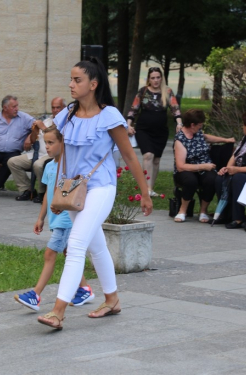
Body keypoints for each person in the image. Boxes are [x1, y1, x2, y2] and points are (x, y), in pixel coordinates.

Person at [36, 58, 153, 331]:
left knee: (75, 244)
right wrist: (57, 192)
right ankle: (112, 299)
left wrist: (144, 193)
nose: (71, 84)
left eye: (77, 80)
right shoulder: (66, 115)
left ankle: (57, 311)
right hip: (74, 192)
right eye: (71, 79)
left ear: (94, 84)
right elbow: (59, 153)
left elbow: (129, 156)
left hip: (101, 187)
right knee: (95, 246)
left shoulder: (109, 116)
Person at [14, 125, 94, 311]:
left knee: (50, 254)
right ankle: (84, 289)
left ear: (62, 143)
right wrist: (41, 218)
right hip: (55, 219)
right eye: (45, 143)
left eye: (51, 143)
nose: (47, 147)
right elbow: (48, 193)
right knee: (67, 253)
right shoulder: (49, 166)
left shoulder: (70, 166)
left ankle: (35, 294)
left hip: (66, 219)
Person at [126, 67, 183, 197]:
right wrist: (128, 125)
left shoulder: (167, 91)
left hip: (161, 131)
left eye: (158, 77)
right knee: (148, 155)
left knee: (156, 159)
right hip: (144, 129)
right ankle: (146, 189)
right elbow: (133, 109)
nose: (156, 80)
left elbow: (175, 109)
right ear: (149, 79)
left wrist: (179, 123)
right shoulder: (143, 91)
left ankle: (151, 187)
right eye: (153, 78)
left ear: (161, 78)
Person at [173, 109, 235, 223]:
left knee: (212, 179)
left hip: (205, 167)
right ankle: (182, 211)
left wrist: (225, 140)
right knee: (190, 180)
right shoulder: (180, 140)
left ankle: (203, 211)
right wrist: (202, 166)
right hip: (187, 169)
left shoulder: (198, 133)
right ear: (192, 125)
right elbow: (180, 166)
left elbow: (207, 137)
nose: (201, 128)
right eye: (200, 125)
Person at [8, 97, 66, 203]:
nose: (55, 110)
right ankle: (27, 189)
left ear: (64, 108)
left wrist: (42, 127)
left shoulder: (66, 122)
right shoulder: (48, 120)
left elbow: (55, 136)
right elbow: (34, 140)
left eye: (58, 107)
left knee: (38, 165)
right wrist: (34, 131)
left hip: (53, 155)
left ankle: (42, 193)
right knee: (13, 162)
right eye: (53, 108)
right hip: (38, 153)